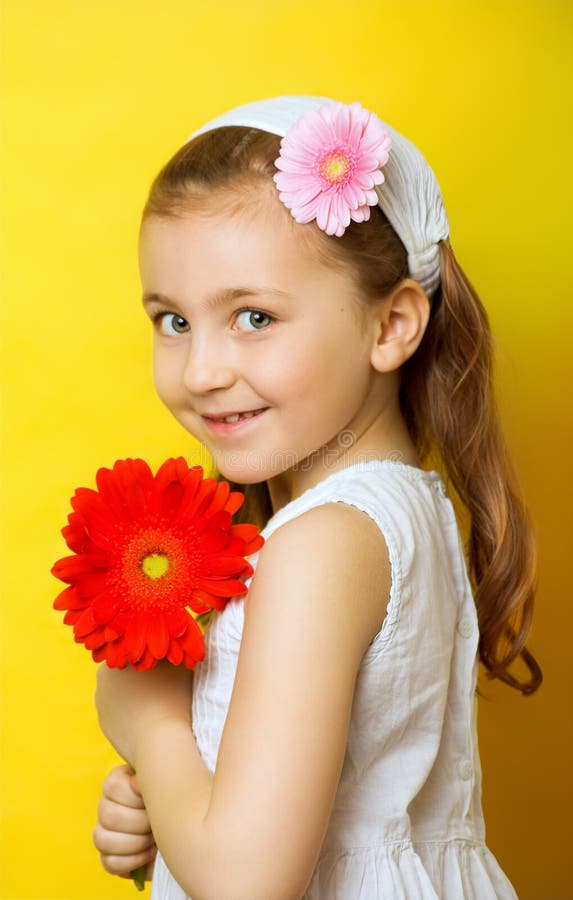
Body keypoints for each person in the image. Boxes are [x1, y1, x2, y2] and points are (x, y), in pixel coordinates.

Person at [92, 95, 542, 900]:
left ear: (391, 326)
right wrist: (163, 828)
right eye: (172, 321)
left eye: (253, 316)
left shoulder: (322, 544)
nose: (200, 372)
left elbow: (245, 881)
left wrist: (150, 720)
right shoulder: (398, 513)